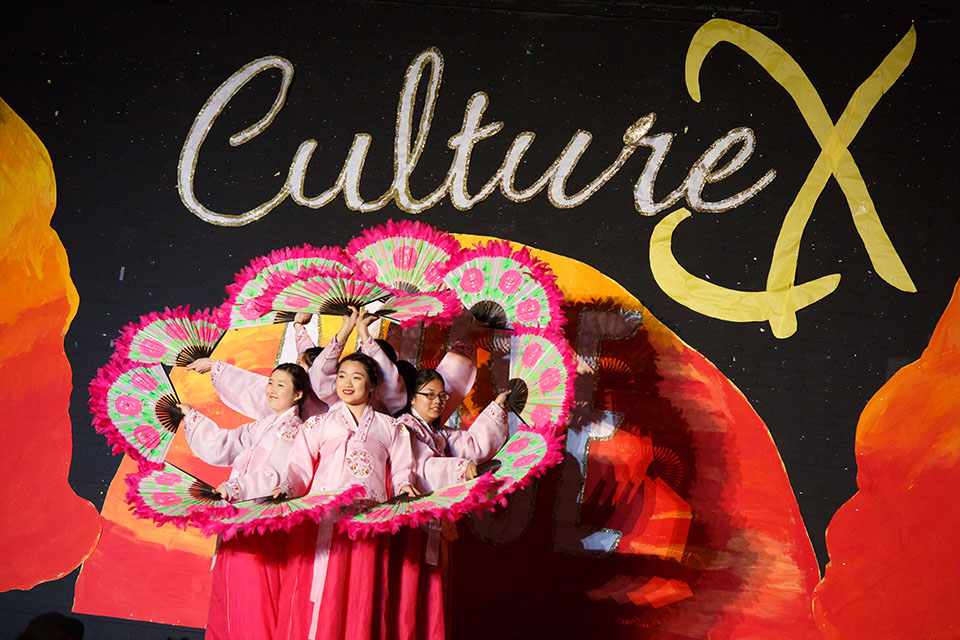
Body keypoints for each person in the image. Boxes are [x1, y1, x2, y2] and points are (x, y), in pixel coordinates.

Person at [273, 352, 418, 640]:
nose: (347, 383)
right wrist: (287, 487)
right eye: (341, 376)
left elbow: (403, 467)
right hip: (324, 518)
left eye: (357, 376)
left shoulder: (391, 427)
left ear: (373, 385)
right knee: (319, 589)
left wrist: (404, 485)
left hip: (369, 520)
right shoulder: (318, 424)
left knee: (362, 593)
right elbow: (300, 467)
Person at [177, 363, 311, 640]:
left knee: (253, 594)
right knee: (229, 592)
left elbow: (275, 474)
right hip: (238, 516)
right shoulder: (265, 425)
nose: (271, 390)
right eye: (271, 383)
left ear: (298, 395)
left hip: (260, 521)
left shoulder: (291, 430)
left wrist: (233, 488)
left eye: (281, 385)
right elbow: (225, 445)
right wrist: (192, 417)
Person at [386, 369, 510, 639]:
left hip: (432, 523)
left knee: (429, 591)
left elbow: (473, 445)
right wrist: (460, 468)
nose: (437, 401)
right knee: (408, 591)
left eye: (441, 395)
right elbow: (420, 467)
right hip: (412, 523)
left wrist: (496, 408)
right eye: (429, 395)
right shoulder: (405, 427)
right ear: (412, 398)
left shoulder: (436, 432)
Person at [186, 312, 328, 420]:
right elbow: (311, 358)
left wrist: (215, 366)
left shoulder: (298, 403)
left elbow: (250, 387)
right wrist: (298, 325)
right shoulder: (326, 384)